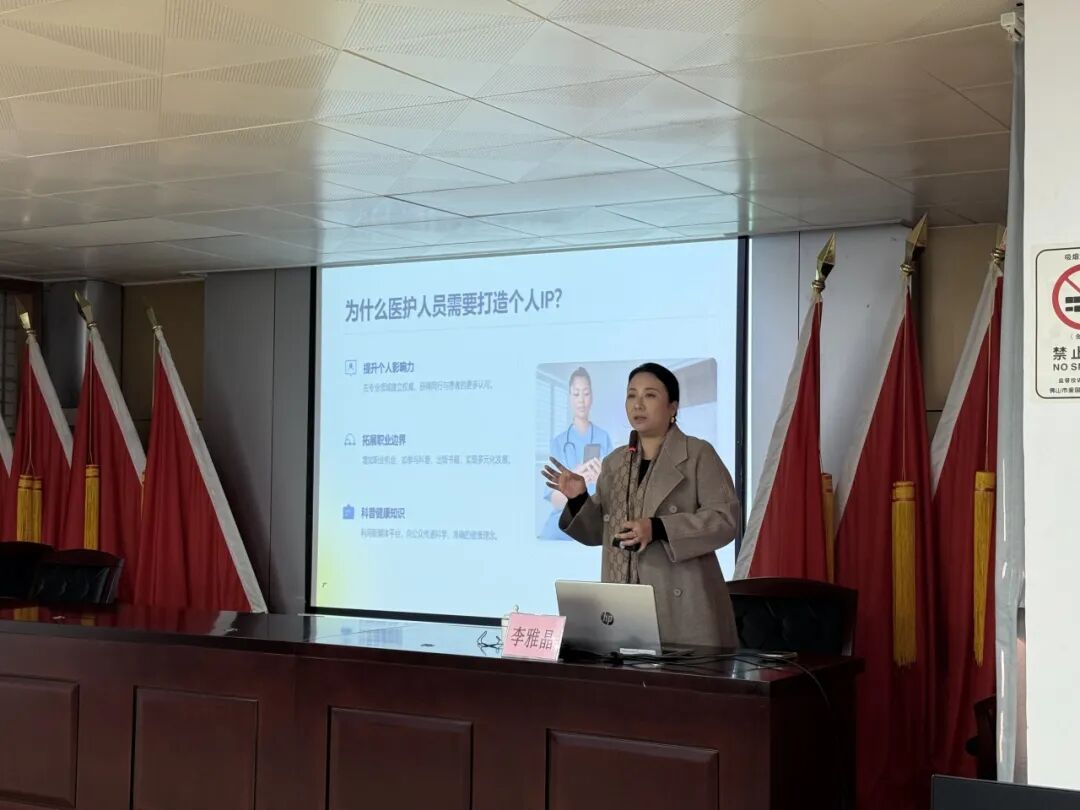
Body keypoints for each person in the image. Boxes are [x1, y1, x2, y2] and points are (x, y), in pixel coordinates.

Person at [541, 362, 739, 648]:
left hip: (682, 607)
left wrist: (658, 528)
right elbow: (599, 532)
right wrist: (579, 497)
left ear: (672, 407)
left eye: (650, 395)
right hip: (624, 606)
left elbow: (725, 519)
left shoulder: (698, 454)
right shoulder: (615, 462)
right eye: (631, 395)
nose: (638, 404)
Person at [539, 367, 612, 540]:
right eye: (576, 394)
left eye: (586, 393)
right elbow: (555, 502)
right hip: (562, 527)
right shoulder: (558, 443)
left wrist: (601, 480)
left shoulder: (603, 438)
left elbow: (615, 495)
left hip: (593, 524)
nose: (581, 400)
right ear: (570, 397)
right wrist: (572, 484)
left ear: (591, 397)